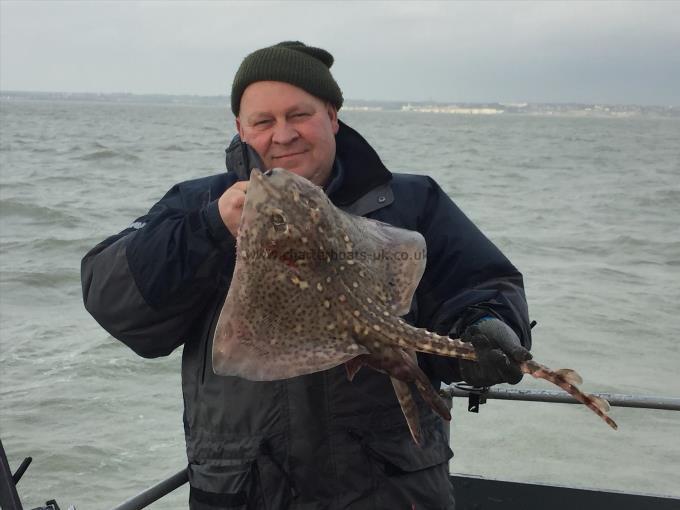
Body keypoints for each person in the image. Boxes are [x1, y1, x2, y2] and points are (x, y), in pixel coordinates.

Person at [81, 41, 532, 509]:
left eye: (299, 115)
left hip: (390, 489)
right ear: (240, 128)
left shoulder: (411, 202)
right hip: (246, 490)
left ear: (333, 116)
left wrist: (482, 327)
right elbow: (115, 301)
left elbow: (481, 285)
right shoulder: (197, 205)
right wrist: (211, 229)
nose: (283, 135)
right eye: (262, 121)